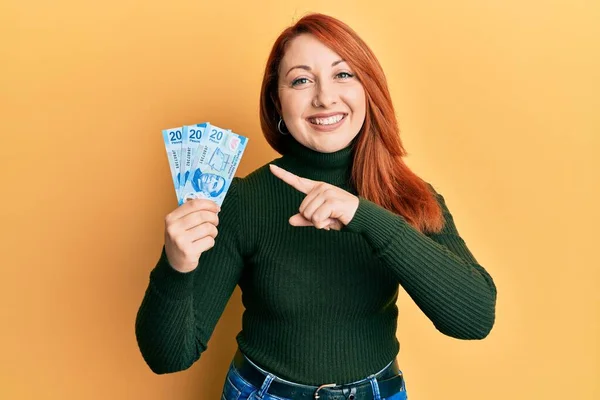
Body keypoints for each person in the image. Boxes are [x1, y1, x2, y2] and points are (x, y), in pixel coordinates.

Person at [135, 13, 497, 400]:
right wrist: (176, 266)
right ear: (278, 102)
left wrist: (366, 216)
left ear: (368, 90)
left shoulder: (408, 195)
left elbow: (474, 319)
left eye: (343, 75)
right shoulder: (243, 201)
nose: (324, 97)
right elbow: (168, 357)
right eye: (301, 80)